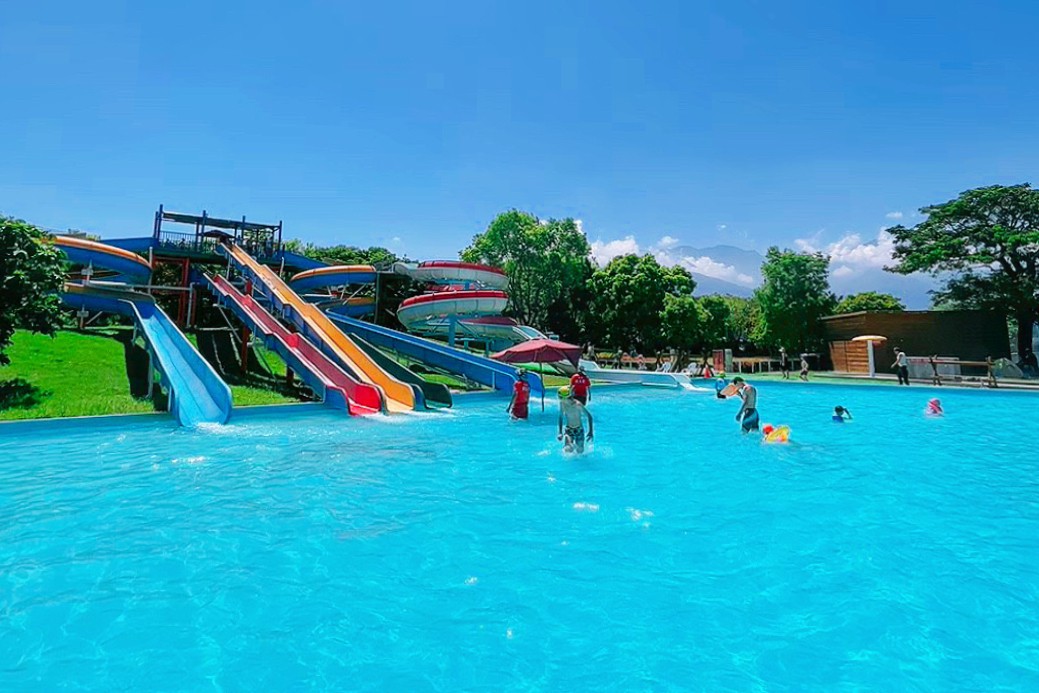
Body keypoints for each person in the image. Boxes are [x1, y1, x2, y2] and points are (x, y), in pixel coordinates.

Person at [557, 387, 594, 453]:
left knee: (580, 452)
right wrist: (560, 432)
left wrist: (590, 432)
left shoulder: (578, 405)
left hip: (579, 430)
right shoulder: (562, 404)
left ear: (564, 397)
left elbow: (589, 416)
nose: (559, 399)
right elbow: (560, 417)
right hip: (569, 430)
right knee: (568, 449)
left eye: (560, 397)